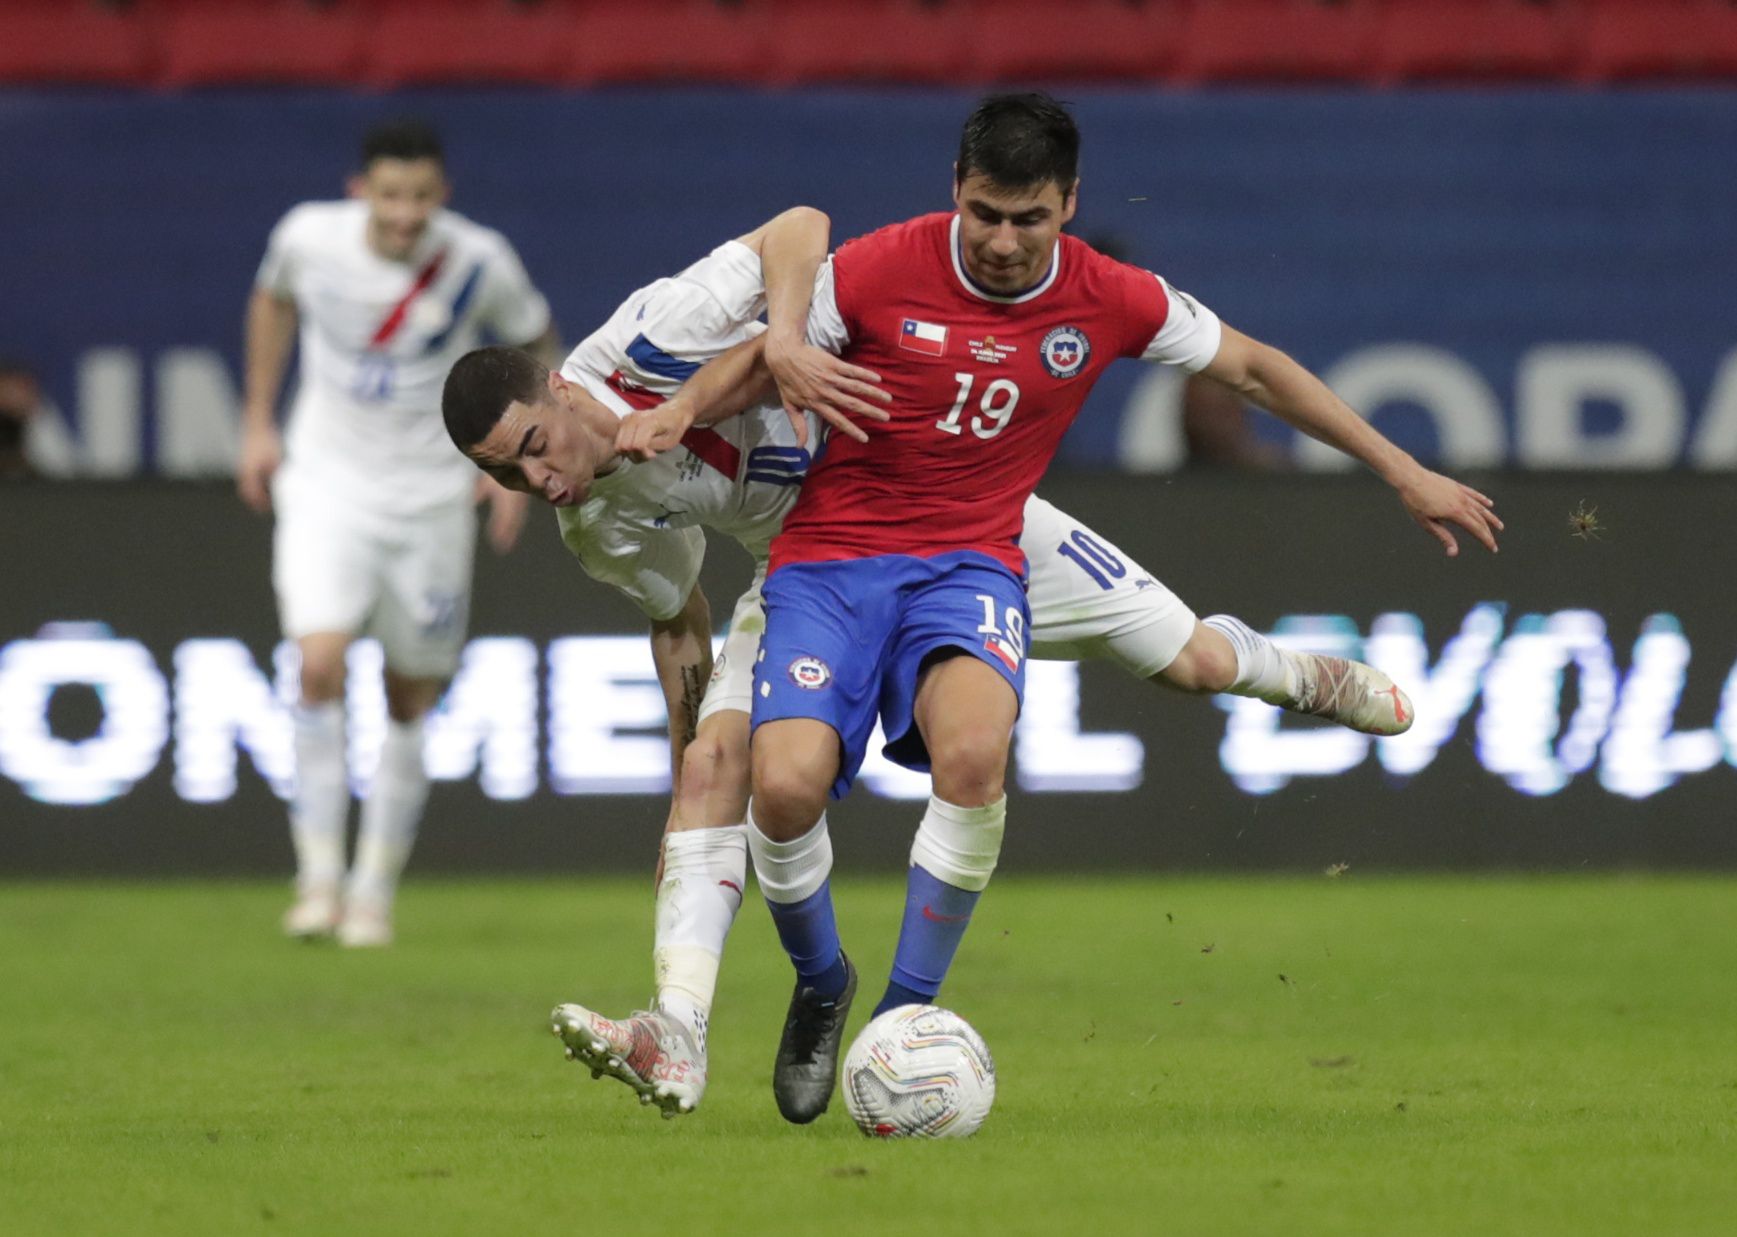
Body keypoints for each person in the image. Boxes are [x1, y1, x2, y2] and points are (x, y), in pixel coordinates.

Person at [614, 92, 1501, 1126]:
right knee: (786, 789)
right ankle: (822, 984)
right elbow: (765, 357)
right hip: (835, 559)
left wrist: (1402, 470)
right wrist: (678, 409)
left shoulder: (1112, 297)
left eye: (1027, 218)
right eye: (984, 212)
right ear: (956, 190)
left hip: (981, 556)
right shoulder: (878, 266)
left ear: (1069, 204)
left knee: (1051, 725)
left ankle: (905, 1015)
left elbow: (1255, 368)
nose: (1000, 239)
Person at [439, 201, 1436, 1118]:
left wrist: (783, 343)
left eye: (535, 445)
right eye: (506, 473)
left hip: (955, 514)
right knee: (727, 770)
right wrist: (686, 768)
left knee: (1195, 664)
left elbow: (796, 229)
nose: (538, 479)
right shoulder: (598, 523)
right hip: (810, 569)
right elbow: (680, 619)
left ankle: (1295, 672)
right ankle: (682, 1031)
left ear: (562, 390)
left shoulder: (657, 335)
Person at [237, 118, 559, 947]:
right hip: (327, 482)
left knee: (410, 693)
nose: (406, 213)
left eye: (420, 197)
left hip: (430, 496)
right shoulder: (307, 239)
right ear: (360, 191)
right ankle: (316, 880)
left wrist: (520, 465)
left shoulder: (478, 259)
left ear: (440, 195)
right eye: (390, 195)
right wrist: (257, 422)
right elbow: (271, 302)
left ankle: (373, 889)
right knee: (317, 661)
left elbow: (534, 342)